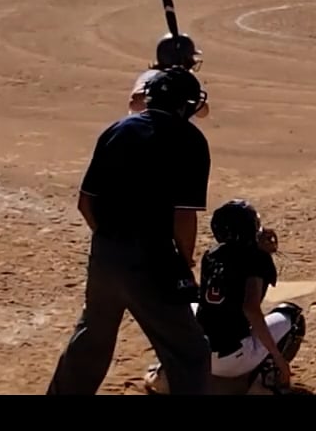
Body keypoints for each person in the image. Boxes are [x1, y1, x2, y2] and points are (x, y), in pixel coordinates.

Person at [47, 66, 214, 396]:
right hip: (153, 260)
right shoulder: (190, 140)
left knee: (92, 338)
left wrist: (109, 241)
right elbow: (183, 216)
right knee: (190, 352)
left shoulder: (118, 130)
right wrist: (184, 261)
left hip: (105, 256)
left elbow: (85, 202)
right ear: (185, 104)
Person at [145, 200, 307, 395]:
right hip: (233, 359)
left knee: (188, 306)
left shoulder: (210, 254)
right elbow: (251, 309)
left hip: (200, 352)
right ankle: (265, 381)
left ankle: (167, 372)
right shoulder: (257, 259)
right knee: (293, 317)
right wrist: (279, 359)